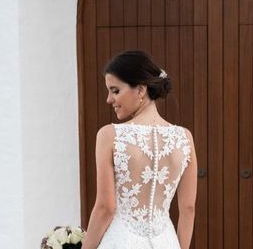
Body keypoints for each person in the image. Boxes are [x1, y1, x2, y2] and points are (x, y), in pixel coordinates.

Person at [81, 50, 197, 249]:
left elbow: (105, 208)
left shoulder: (110, 136)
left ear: (141, 90)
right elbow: (188, 208)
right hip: (166, 242)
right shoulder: (184, 137)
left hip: (121, 241)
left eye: (115, 90)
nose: (109, 99)